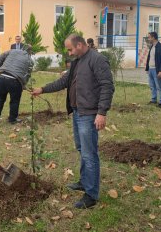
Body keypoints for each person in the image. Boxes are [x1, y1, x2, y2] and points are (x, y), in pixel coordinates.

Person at [31, 35, 114, 209]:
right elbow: (64, 81)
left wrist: (101, 113)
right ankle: (85, 182)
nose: (69, 53)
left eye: (70, 49)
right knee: (82, 149)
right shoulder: (77, 61)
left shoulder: (97, 60)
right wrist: (43, 89)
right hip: (78, 112)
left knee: (89, 153)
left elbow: (107, 86)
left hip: (89, 114)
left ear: (80, 45)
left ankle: (91, 194)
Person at [0, 45, 34, 124]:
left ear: (22, 48)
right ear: (30, 52)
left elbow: (0, 57)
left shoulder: (12, 51)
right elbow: (28, 74)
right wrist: (23, 84)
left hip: (1, 77)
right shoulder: (30, 61)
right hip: (15, 80)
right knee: (15, 101)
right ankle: (12, 119)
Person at [145, 31, 161, 107]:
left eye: (149, 37)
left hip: (156, 70)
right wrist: (147, 68)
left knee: (160, 86)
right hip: (151, 69)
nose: (148, 39)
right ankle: (153, 99)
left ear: (153, 37)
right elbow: (149, 58)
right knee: (152, 86)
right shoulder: (152, 46)